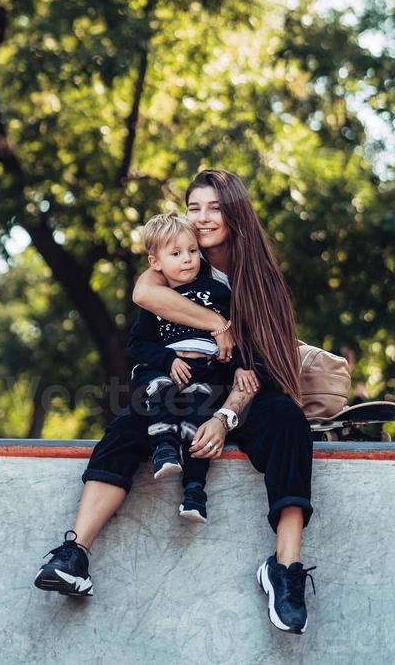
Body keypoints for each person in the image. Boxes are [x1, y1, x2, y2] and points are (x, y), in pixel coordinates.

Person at [34, 169, 316, 634]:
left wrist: (225, 419)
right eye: (194, 207)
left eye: (214, 207)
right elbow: (144, 293)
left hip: (240, 391)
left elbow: (261, 367)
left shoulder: (255, 275)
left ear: (235, 212)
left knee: (287, 421)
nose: (202, 219)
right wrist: (217, 325)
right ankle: (75, 553)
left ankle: (285, 570)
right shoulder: (177, 253)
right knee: (130, 424)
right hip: (184, 385)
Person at [128, 210, 242, 523]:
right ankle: (163, 450)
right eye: (176, 254)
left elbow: (236, 336)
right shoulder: (158, 300)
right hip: (165, 371)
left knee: (198, 425)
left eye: (193, 251)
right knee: (161, 389)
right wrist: (168, 360)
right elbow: (137, 345)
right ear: (156, 262)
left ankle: (194, 493)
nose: (188, 259)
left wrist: (232, 365)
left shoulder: (219, 292)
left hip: (203, 375)